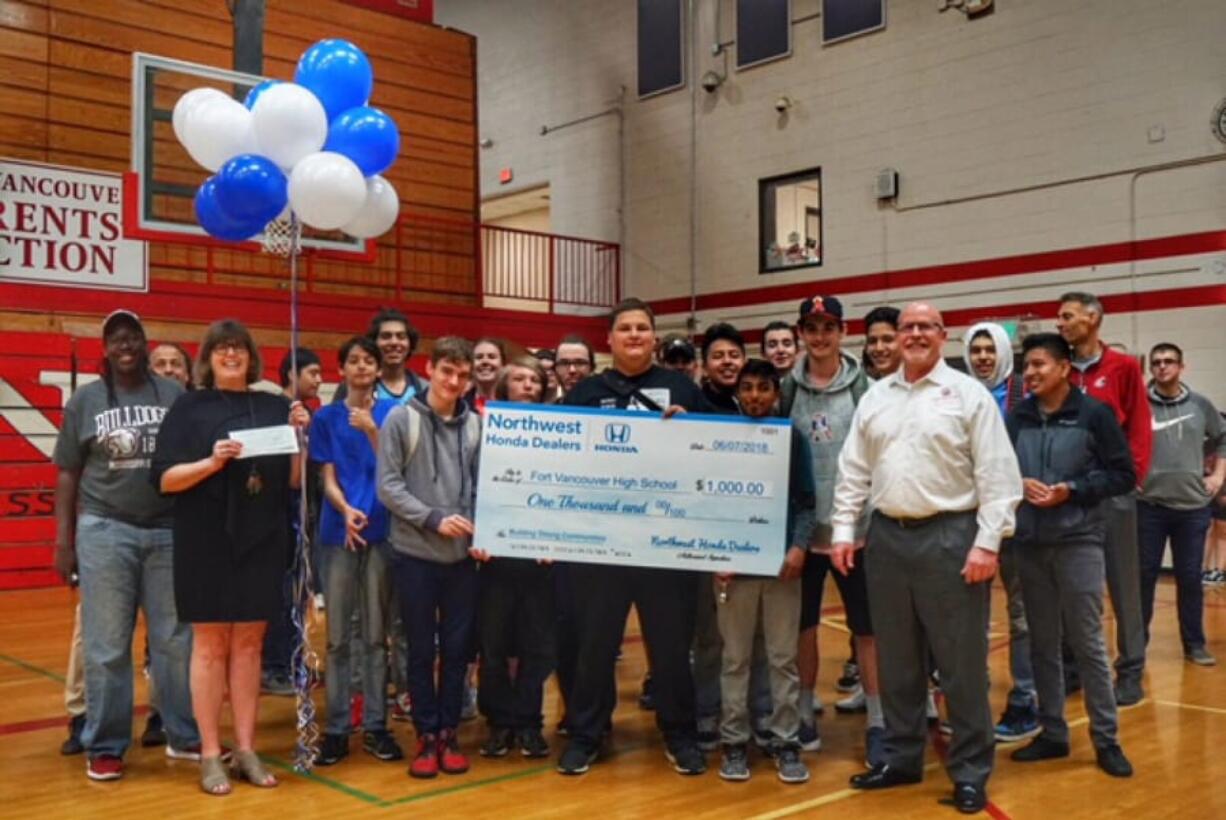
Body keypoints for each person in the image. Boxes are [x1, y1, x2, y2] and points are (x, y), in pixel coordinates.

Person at [832, 302, 1023, 815]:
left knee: (960, 667)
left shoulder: (968, 395)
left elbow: (999, 476)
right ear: (894, 338)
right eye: (906, 328)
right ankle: (900, 758)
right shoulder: (875, 397)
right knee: (897, 663)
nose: (915, 334)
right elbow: (853, 470)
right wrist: (845, 531)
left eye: (925, 327)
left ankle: (970, 772)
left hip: (951, 538)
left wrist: (987, 543)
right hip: (888, 540)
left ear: (943, 336)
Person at [152, 318, 311, 795]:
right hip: (205, 540)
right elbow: (164, 480)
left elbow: (295, 482)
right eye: (221, 348)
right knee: (209, 646)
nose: (230, 354)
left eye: (239, 347)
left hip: (260, 540)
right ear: (208, 357)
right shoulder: (187, 408)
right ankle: (207, 752)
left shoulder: (276, 405)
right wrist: (211, 462)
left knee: (248, 647)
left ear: (250, 355)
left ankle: (245, 748)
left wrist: (302, 438)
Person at [557, 298, 711, 777]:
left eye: (642, 328)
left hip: (663, 545)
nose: (634, 335)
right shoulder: (584, 392)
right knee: (595, 647)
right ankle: (587, 734)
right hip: (602, 544)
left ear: (654, 337)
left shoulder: (682, 387)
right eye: (625, 328)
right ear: (610, 339)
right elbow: (562, 462)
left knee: (669, 648)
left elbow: (711, 455)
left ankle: (679, 733)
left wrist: (691, 432)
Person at [51, 309, 197, 782]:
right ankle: (107, 743)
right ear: (106, 348)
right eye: (116, 338)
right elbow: (68, 473)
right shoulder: (86, 400)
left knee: (174, 641)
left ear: (145, 341)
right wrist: (63, 542)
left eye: (132, 335)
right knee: (107, 644)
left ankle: (183, 733)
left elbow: (194, 459)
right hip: (105, 530)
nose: (125, 344)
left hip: (169, 531)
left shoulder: (173, 394)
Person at [1005, 333, 1136, 778]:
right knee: (1041, 644)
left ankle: (1107, 739)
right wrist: (1019, 484)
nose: (1032, 373)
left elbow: (1123, 475)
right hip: (1029, 543)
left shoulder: (1094, 415)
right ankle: (1054, 733)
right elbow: (999, 470)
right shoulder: (1018, 417)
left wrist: (1072, 491)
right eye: (1027, 367)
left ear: (1064, 368)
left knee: (1088, 644)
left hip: (1079, 540)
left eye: (1040, 365)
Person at [780, 295, 883, 763]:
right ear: (802, 333)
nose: (820, 336)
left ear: (843, 332)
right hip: (806, 532)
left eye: (828, 327)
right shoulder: (787, 389)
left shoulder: (865, 387)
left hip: (856, 532)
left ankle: (879, 718)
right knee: (802, 627)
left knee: (867, 628)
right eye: (812, 327)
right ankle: (802, 709)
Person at [377, 337, 482, 779]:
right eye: (446, 372)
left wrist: (482, 528)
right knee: (420, 650)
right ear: (430, 369)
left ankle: (449, 733)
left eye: (462, 375)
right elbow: (388, 486)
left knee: (457, 652)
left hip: (463, 561)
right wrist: (433, 518)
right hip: (415, 555)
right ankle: (424, 734)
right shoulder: (401, 420)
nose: (454, 382)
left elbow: (483, 486)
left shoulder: (476, 424)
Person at [716, 359, 815, 785]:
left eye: (764, 389)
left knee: (782, 658)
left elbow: (806, 501)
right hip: (733, 568)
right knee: (735, 659)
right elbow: (706, 501)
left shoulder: (791, 438)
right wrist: (714, 555)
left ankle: (786, 740)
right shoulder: (719, 436)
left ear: (777, 393)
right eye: (748, 388)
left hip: (779, 567)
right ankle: (734, 740)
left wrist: (798, 546)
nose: (755, 396)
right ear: (738, 392)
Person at [1056, 291, 1152, 705]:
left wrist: (1132, 478)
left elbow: (1141, 427)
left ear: (1092, 318)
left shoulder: (1123, 367)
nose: (1060, 323)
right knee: (1072, 586)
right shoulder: (1059, 368)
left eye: (1067, 316)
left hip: (1113, 493)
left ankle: (1130, 668)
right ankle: (1073, 667)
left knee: (1123, 584)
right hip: (1069, 494)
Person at [311, 337, 404, 766]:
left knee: (374, 635)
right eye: (354, 360)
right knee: (336, 639)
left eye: (369, 360)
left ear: (378, 369)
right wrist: (344, 508)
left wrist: (371, 430)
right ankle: (335, 729)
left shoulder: (393, 415)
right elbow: (326, 478)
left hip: (382, 532)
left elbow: (394, 471)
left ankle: (376, 726)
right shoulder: (326, 418)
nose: (363, 366)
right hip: (338, 532)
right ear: (342, 369)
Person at [473, 356, 556, 759]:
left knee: (536, 646)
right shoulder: (483, 431)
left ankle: (529, 722)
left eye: (534, 380)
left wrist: (555, 540)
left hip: (540, 560)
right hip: (494, 556)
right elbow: (470, 486)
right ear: (504, 387)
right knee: (493, 646)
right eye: (519, 379)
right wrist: (478, 533)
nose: (528, 385)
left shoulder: (560, 434)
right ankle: (499, 722)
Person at [962, 322, 1038, 743]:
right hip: (967, 522)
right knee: (968, 616)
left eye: (991, 349)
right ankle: (970, 696)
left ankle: (1025, 697)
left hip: (1019, 522)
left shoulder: (1026, 397)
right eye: (977, 350)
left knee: (1022, 616)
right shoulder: (955, 394)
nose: (984, 357)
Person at [1137, 343, 1226, 667]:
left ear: (1181, 367)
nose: (1162, 367)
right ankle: (1136, 647)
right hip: (1147, 506)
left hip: (1191, 508)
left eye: (1169, 362)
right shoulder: (1138, 404)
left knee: (1189, 577)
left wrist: (1218, 475)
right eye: (1157, 362)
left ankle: (1195, 644)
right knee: (1143, 577)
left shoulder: (1201, 405)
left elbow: (1223, 436)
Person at [261, 347, 323, 698]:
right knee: (283, 591)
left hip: (303, 509)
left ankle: (293, 659)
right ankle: (274, 667)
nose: (319, 379)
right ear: (291, 374)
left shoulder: (307, 413)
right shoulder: (276, 412)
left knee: (299, 591)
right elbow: (290, 476)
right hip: (281, 510)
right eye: (312, 372)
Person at [551, 334, 598, 733]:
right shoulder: (544, 417)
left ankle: (598, 715)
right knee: (565, 637)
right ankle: (571, 712)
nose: (572, 370)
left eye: (579, 363)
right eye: (564, 363)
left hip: (601, 547)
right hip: (558, 548)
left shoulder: (612, 413)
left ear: (592, 368)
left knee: (597, 639)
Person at [699, 322, 745, 413]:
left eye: (734, 355)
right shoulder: (694, 407)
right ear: (704, 368)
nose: (727, 361)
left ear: (745, 362)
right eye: (718, 356)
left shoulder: (758, 405)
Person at [862, 307, 901, 381]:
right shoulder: (865, 389)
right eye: (872, 341)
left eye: (887, 340)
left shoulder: (923, 387)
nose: (879, 348)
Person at [469, 337, 507, 412]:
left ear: (503, 365)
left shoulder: (514, 403)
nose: (485, 361)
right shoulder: (458, 405)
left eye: (492, 357)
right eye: (479, 357)